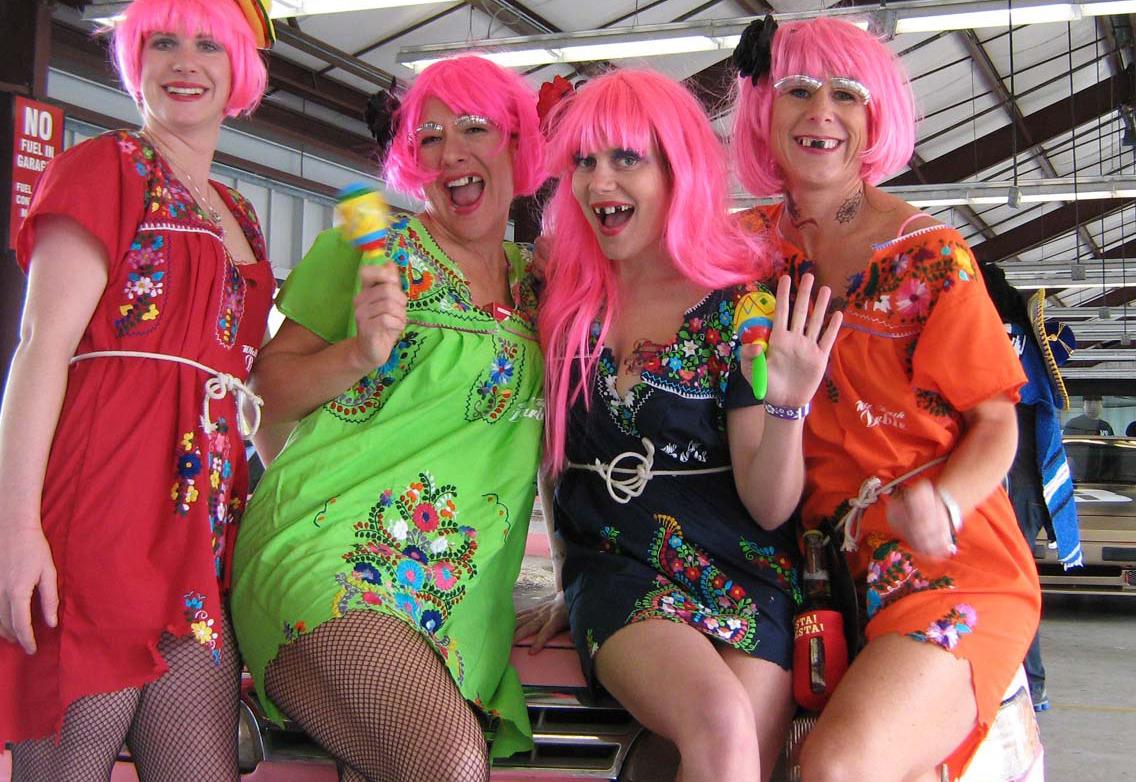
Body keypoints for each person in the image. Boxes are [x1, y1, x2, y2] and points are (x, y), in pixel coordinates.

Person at [0, 0, 275, 779]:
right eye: (163, 42)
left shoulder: (239, 211)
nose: (185, 62)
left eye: (209, 45)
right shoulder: (104, 167)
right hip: (100, 503)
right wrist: (12, 529)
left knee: (200, 766)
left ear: (239, 68)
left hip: (201, 524)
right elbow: (41, 347)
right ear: (136, 61)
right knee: (69, 760)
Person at [731, 16, 1041, 782]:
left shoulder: (930, 257)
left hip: (947, 566)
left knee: (836, 767)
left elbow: (996, 421)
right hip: (809, 576)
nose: (821, 111)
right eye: (798, 90)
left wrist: (947, 503)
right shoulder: (739, 253)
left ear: (876, 120)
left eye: (847, 94)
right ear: (763, 110)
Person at [514, 69, 842, 781]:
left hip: (744, 570)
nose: (600, 181)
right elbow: (554, 459)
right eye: (584, 161)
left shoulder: (741, 308)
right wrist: (566, 577)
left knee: (730, 755)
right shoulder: (560, 299)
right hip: (620, 565)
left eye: (626, 158)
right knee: (721, 725)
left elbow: (768, 506)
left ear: (677, 168)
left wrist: (788, 407)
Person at [230, 55, 547, 781]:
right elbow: (262, 395)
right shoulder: (370, 252)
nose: (452, 152)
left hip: (459, 595)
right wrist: (359, 354)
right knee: (449, 764)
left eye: (475, 128)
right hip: (333, 557)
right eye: (429, 137)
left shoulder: (543, 282)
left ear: (516, 142)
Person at [982, 270, 1084, 712]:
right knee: (1016, 580)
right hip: (1027, 480)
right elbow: (1063, 346)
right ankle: (1029, 680)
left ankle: (1012, 675)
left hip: (995, 478)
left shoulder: (982, 334)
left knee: (988, 581)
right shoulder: (1031, 339)